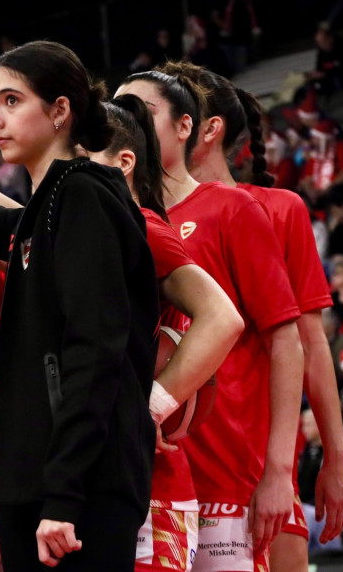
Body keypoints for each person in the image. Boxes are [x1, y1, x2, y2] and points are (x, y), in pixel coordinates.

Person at [0, 40, 160, 570]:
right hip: (45, 485)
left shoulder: (82, 196)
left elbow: (95, 349)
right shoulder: (49, 203)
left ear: (60, 110)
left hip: (77, 492)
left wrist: (64, 493)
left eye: (11, 100)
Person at [161, 60, 343, 572]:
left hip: (249, 468)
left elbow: (309, 344)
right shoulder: (143, 219)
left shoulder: (277, 208)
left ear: (204, 128)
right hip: (168, 463)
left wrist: (334, 459)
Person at [116, 68, 304, 571]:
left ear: (186, 127)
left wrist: (279, 472)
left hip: (227, 474)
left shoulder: (232, 208)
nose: (126, 122)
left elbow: (288, 341)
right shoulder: (121, 220)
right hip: (149, 469)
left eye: (141, 112)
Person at [82, 94, 245, 571]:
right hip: (99, 479)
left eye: (80, 157)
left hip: (151, 490)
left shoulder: (141, 227)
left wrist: (150, 409)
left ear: (124, 163)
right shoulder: (78, 229)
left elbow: (224, 318)